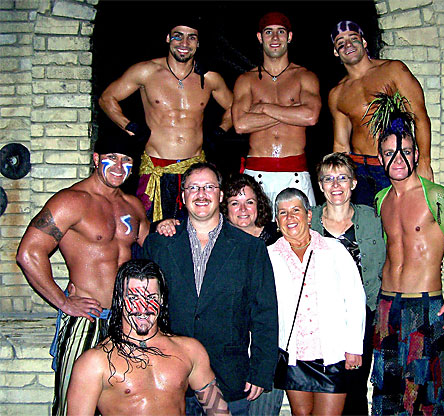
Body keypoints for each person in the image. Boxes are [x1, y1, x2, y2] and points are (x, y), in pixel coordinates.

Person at [16, 126, 150, 416]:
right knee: (73, 405)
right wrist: (63, 302)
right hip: (86, 319)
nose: (118, 167)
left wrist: (168, 226)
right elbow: (28, 252)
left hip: (126, 320)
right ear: (95, 157)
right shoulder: (72, 200)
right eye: (111, 158)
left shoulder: (133, 206)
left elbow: (155, 253)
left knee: (121, 406)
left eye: (126, 160)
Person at [142, 162, 278, 416]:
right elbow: (144, 307)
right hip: (171, 379)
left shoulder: (250, 249)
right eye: (193, 188)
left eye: (208, 187)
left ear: (221, 195)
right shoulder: (159, 244)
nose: (201, 194)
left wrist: (261, 370)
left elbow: (265, 314)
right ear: (183, 196)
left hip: (229, 375)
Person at [370, 96, 444, 415]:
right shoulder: (380, 199)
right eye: (390, 152)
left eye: (405, 151)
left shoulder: (437, 196)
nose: (398, 158)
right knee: (388, 393)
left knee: (427, 396)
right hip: (387, 307)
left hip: (424, 305)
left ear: (416, 154)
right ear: (380, 157)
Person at [99, 19, 233, 223]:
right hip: (155, 169)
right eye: (178, 35)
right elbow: (107, 98)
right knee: (151, 234)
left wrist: (221, 130)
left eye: (192, 37)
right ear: (168, 38)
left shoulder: (210, 78)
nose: (184, 43)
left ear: (198, 43)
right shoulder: (146, 71)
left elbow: (236, 107)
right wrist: (129, 126)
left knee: (195, 233)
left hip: (194, 171)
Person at [67, 259, 231, 416]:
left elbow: (218, 411)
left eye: (151, 298)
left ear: (161, 300)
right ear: (119, 300)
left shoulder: (189, 350)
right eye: (133, 298)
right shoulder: (94, 363)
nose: (142, 308)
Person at [269, 187, 366, 416]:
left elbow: (354, 299)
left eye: (296, 210)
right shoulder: (269, 256)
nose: (290, 217)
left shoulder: (334, 251)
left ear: (309, 215)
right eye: (283, 213)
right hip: (294, 356)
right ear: (276, 220)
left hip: (331, 355)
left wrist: (353, 347)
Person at [310, 152, 385, 415]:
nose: (335, 185)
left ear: (353, 183)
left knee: (355, 387)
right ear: (320, 186)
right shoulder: (308, 221)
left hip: (362, 314)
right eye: (328, 179)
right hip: (319, 316)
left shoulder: (373, 219)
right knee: (325, 387)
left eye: (342, 178)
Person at [328, 20, 433, 207]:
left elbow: (419, 117)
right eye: (341, 43)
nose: (348, 45)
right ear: (336, 52)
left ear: (364, 42)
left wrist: (424, 162)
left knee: (400, 225)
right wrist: (337, 177)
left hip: (394, 164)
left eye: (353, 38)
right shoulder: (337, 93)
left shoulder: (393, 71)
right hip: (358, 169)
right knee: (365, 230)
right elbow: (341, 143)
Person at [232, 11, 321, 207]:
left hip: (295, 173)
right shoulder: (246, 80)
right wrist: (292, 111)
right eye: (268, 32)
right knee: (253, 235)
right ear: (259, 37)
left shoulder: (304, 76)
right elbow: (240, 124)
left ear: (289, 37)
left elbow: (310, 116)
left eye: (280, 32)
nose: (274, 38)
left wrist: (262, 107)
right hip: (256, 175)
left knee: (303, 235)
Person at [221, 173, 281, 246]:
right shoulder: (218, 241)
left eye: (249, 202)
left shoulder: (278, 235)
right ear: (225, 207)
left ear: (259, 204)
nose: (243, 209)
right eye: (235, 203)